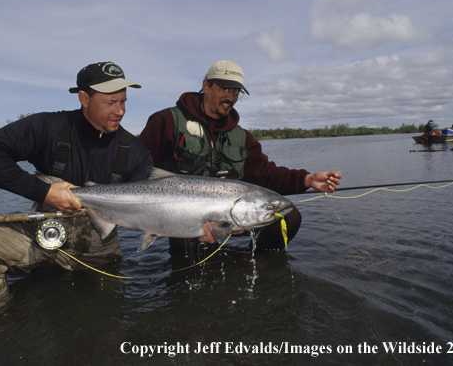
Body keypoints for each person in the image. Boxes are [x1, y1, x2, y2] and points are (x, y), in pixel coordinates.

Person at [0, 61, 153, 305]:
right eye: (110, 103)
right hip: (41, 236)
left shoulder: (137, 151)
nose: (120, 111)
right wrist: (44, 191)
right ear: (84, 99)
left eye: (123, 102)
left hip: (99, 252)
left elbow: (152, 208)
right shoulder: (46, 126)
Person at [138, 60, 341, 252]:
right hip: (182, 218)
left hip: (233, 215)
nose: (231, 98)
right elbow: (136, 168)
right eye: (225, 89)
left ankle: (255, 265)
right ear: (206, 85)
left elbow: (266, 174)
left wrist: (307, 179)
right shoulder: (167, 121)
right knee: (187, 259)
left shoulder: (241, 136)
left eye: (236, 92)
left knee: (289, 217)